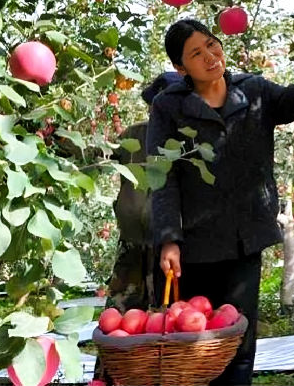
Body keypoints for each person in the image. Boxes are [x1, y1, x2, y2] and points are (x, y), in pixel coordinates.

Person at [148, 19, 294, 385]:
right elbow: (162, 176)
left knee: (239, 342)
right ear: (180, 68)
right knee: (193, 346)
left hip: (244, 238)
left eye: (211, 44)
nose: (210, 56)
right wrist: (169, 238)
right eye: (196, 53)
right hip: (195, 245)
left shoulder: (253, 91)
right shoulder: (168, 107)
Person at [92, 72, 181, 384]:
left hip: (168, 250)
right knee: (117, 317)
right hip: (131, 245)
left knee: (162, 321)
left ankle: (157, 378)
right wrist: (64, 144)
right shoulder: (136, 135)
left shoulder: (187, 142)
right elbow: (101, 154)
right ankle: (107, 377)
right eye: (155, 105)